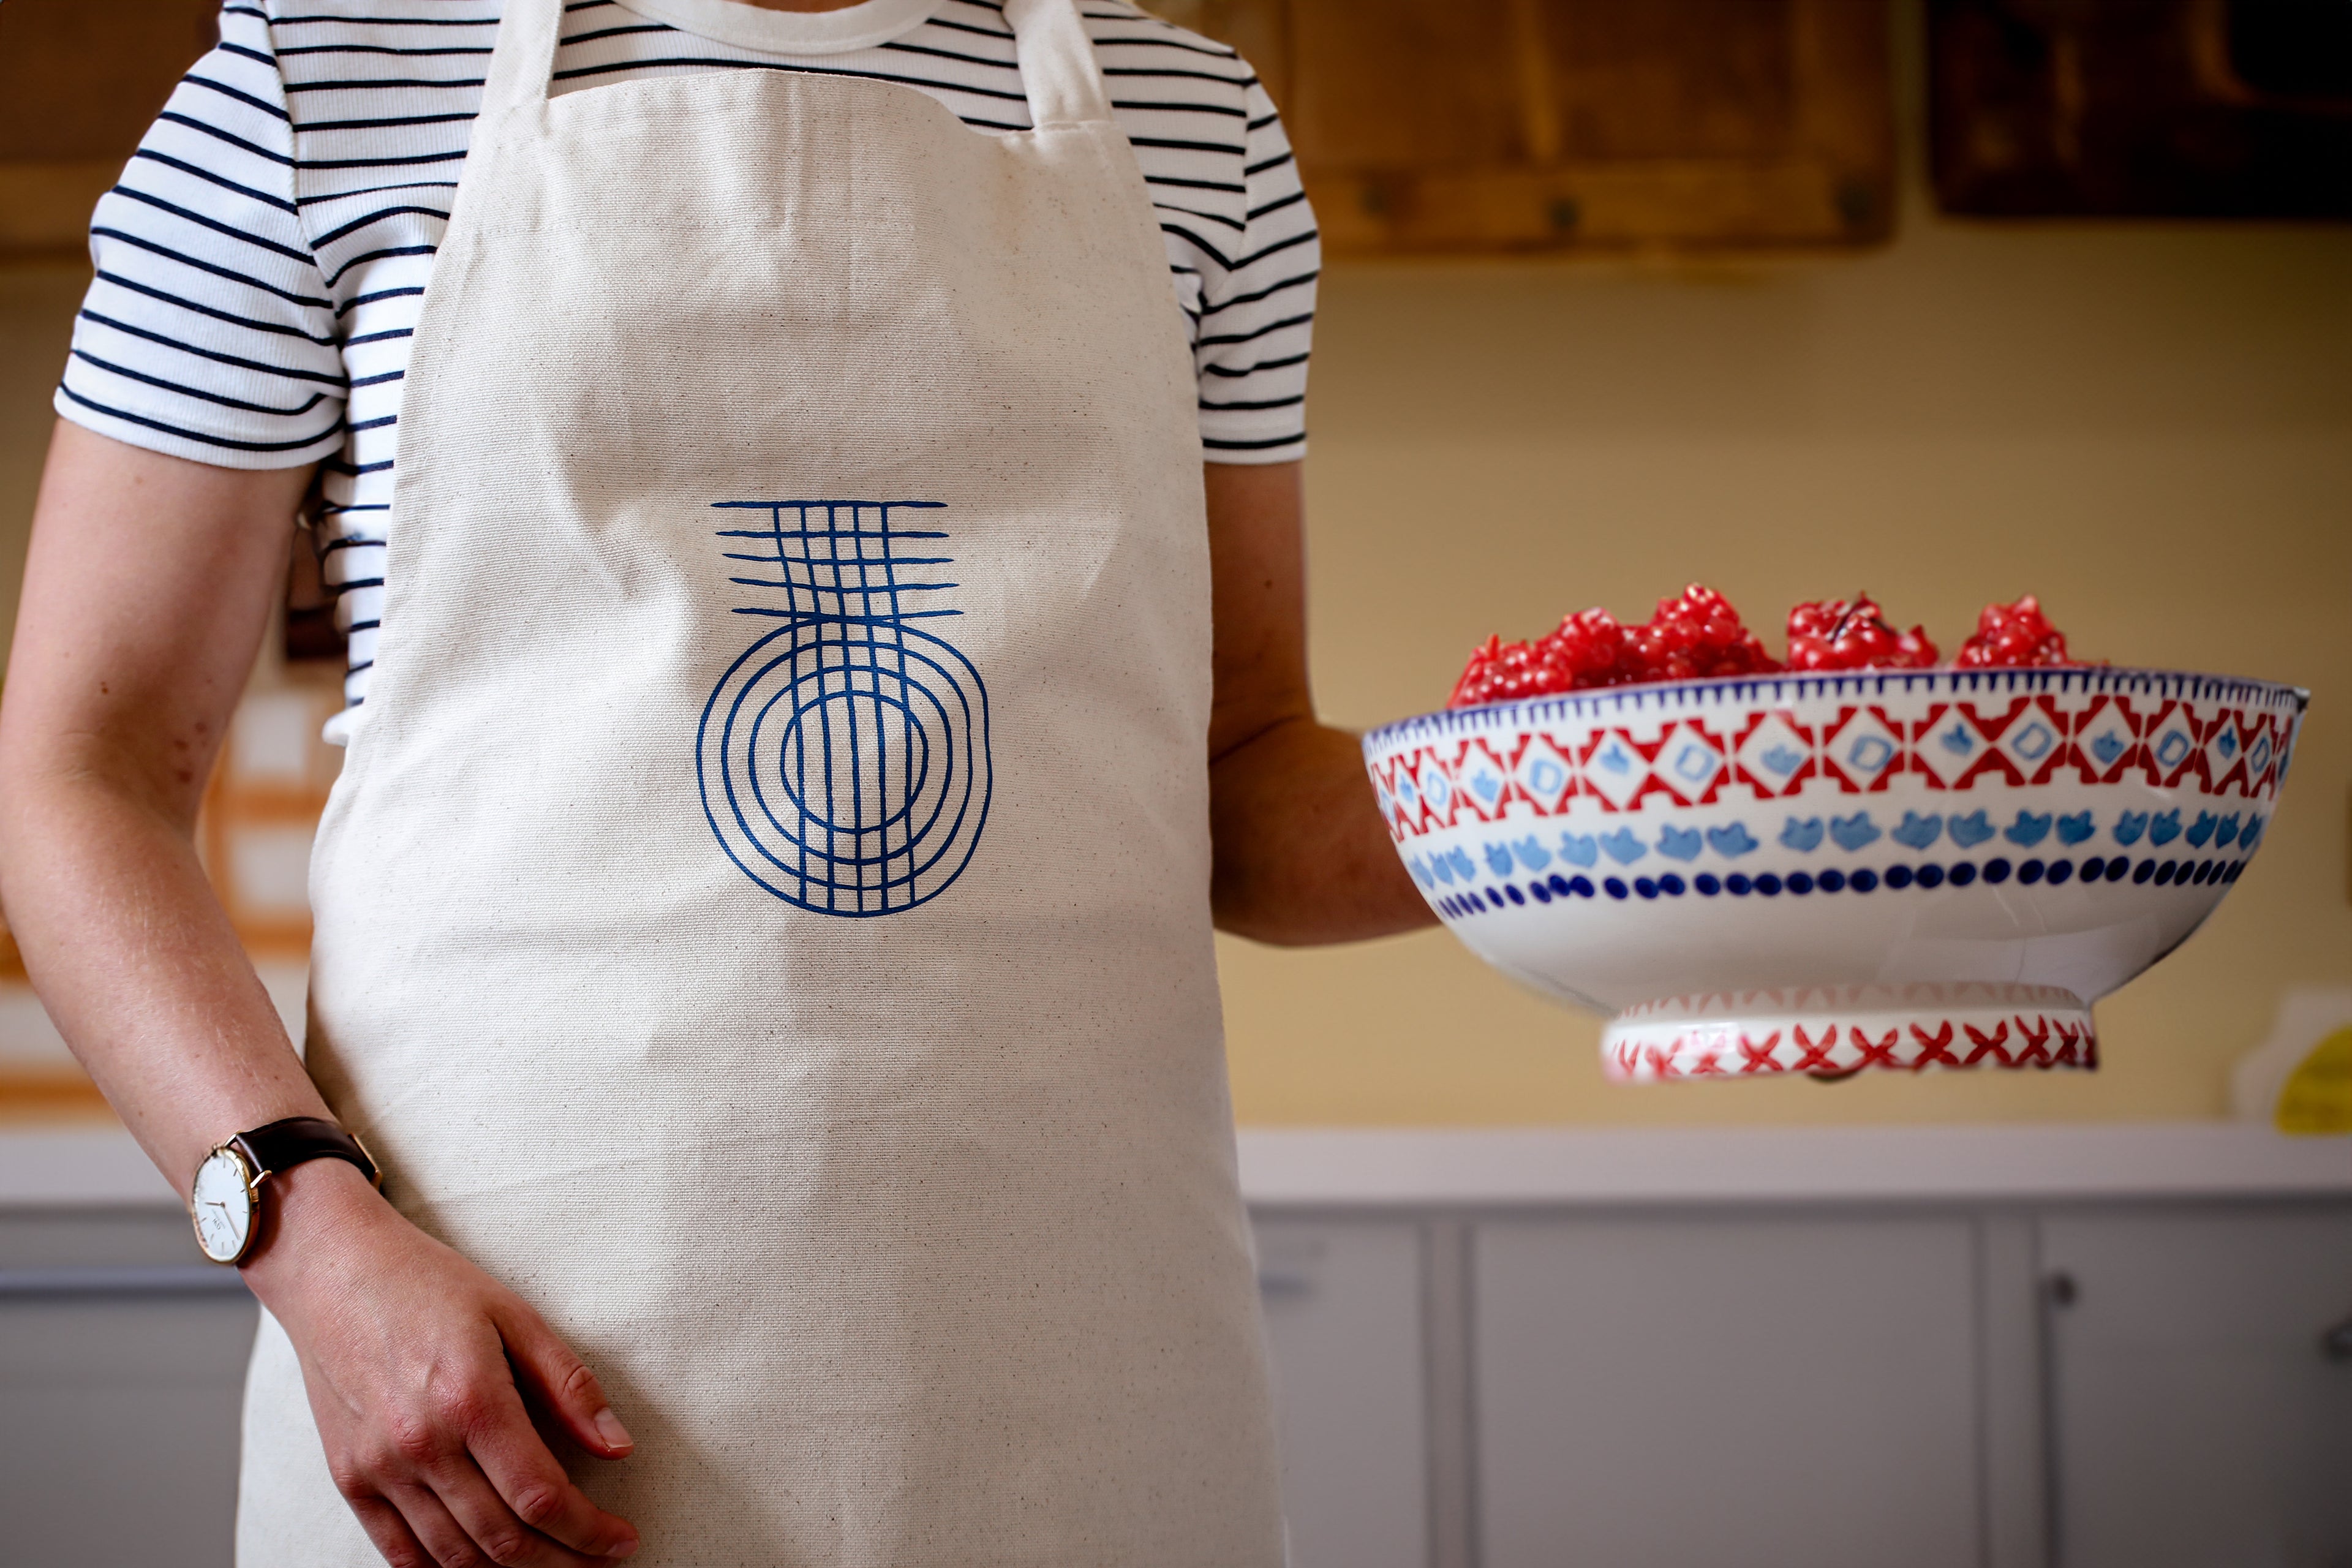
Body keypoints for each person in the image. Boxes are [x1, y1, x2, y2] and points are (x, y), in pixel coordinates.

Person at [0, 0, 1432, 1562]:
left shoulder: (1193, 126)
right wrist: (311, 1243)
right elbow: (82, 773)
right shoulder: (322, 82)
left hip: (1089, 1396)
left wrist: (1599, 816)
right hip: (492, 1431)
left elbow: (1235, 777)